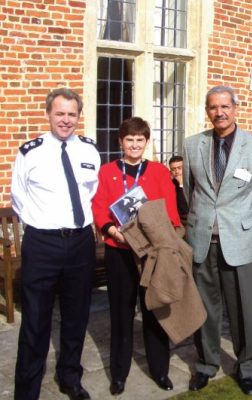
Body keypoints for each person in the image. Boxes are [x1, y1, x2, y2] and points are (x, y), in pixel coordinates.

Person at [11, 88, 101, 400]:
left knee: (77, 317)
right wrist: (46, 224)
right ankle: (27, 389)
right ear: (49, 114)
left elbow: (91, 192)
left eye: (71, 114)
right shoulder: (30, 152)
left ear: (79, 116)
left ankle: (70, 378)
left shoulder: (90, 150)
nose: (66, 120)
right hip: (42, 244)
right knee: (35, 321)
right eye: (60, 113)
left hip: (79, 243)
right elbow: (19, 199)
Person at [183, 85, 252, 395]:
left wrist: (249, 230)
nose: (219, 112)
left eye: (225, 106)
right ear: (206, 111)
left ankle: (247, 367)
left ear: (235, 108)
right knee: (204, 309)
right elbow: (189, 190)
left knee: (244, 310)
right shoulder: (193, 144)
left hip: (240, 240)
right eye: (213, 107)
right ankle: (206, 364)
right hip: (202, 239)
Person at [91, 117, 181, 396]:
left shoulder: (157, 171)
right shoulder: (107, 171)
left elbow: (170, 208)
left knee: (154, 310)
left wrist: (172, 239)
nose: (134, 144)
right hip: (120, 251)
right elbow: (99, 205)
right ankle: (119, 374)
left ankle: (160, 370)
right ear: (121, 142)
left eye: (139, 140)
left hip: (152, 253)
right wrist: (111, 229)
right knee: (121, 313)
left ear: (146, 142)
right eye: (129, 140)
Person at [168, 155, 188, 219]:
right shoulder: (170, 184)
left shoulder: (193, 182)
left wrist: (181, 184)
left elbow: (185, 209)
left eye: (179, 168)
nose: (177, 172)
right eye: (173, 169)